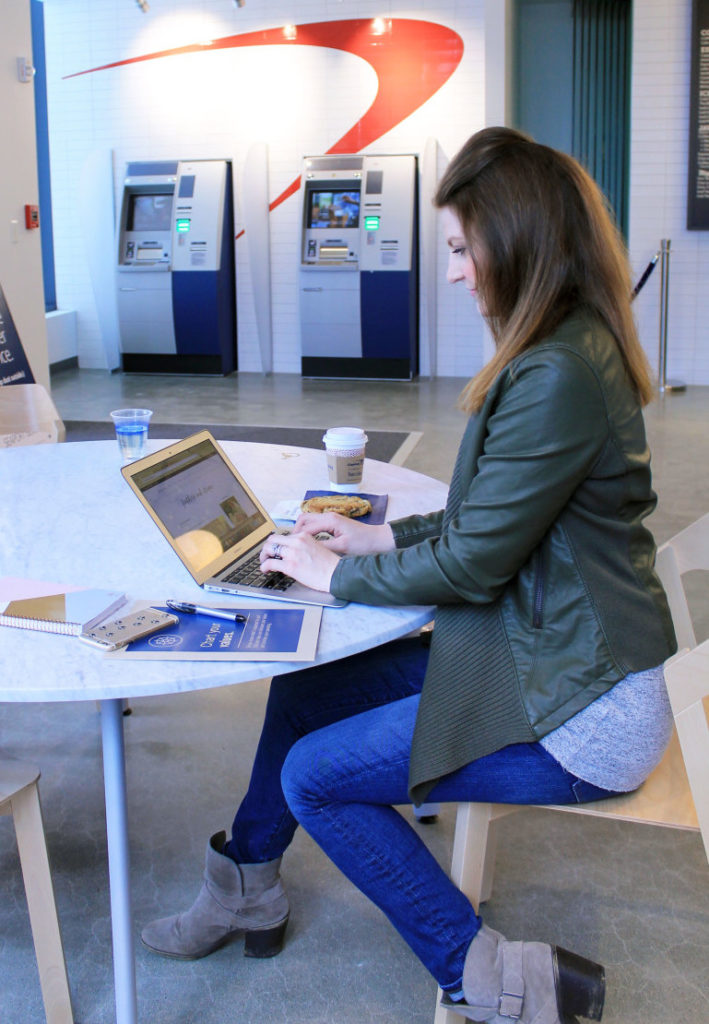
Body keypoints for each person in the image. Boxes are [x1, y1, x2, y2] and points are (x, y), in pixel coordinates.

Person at [141, 128, 677, 1023]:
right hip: (547, 657)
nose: (456, 273)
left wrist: (331, 577)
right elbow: (487, 517)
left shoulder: (556, 374)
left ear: (517, 241)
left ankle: (493, 981)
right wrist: (371, 538)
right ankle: (244, 888)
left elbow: (473, 562)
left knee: (314, 776)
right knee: (305, 692)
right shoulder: (568, 346)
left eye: (463, 249)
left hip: (582, 711)